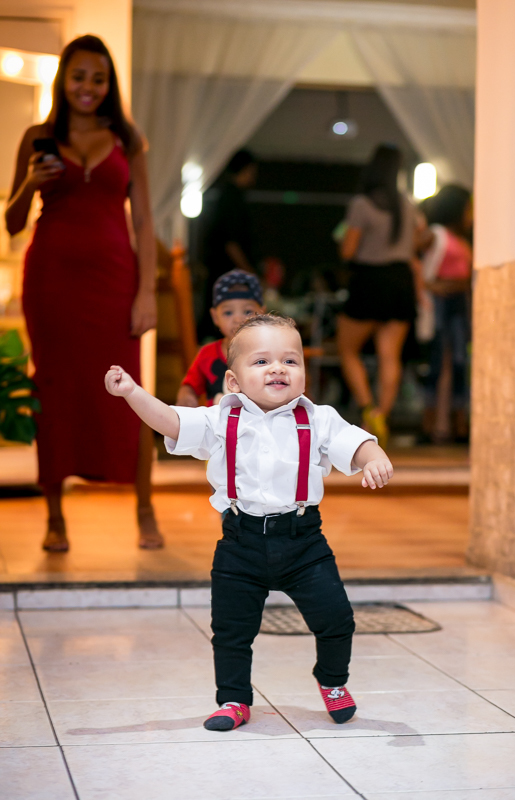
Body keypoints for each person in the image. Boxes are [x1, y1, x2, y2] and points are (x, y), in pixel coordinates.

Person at [105, 314, 394, 730]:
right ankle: (234, 699)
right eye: (261, 361)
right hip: (240, 542)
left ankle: (332, 681)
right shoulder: (220, 419)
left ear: (304, 374)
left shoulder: (318, 418)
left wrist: (374, 457)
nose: (278, 369)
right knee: (230, 630)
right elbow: (171, 421)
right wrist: (132, 392)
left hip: (303, 542)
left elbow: (357, 442)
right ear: (233, 381)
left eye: (290, 361)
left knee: (337, 619)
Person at [5, 35, 161, 552]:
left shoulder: (127, 139)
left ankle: (145, 510)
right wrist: (31, 182)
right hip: (51, 283)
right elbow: (13, 222)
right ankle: (55, 518)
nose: (88, 87)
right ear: (63, 80)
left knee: (129, 392)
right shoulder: (38, 136)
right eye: (79, 77)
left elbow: (144, 219)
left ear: (109, 84)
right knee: (54, 392)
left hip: (115, 282)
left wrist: (146, 292)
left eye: (98, 78)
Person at [336, 144, 420, 447]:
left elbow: (348, 250)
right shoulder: (407, 204)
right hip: (401, 280)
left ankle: (368, 409)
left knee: (347, 349)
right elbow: (417, 242)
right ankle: (382, 416)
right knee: (390, 355)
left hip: (370, 280)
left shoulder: (362, 204)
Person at [419, 185, 473, 443]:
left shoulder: (463, 238)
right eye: (468, 207)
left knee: (460, 363)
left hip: (459, 304)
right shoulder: (435, 234)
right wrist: (430, 286)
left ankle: (457, 424)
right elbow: (411, 258)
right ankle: (431, 425)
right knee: (438, 362)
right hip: (440, 303)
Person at [177, 269, 265, 408]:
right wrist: (186, 397)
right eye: (228, 312)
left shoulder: (269, 352)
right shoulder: (207, 354)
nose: (238, 319)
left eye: (247, 311)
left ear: (262, 314)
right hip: (216, 422)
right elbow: (189, 386)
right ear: (215, 317)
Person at [203, 149, 257, 282]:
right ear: (246, 169)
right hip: (228, 276)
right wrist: (248, 271)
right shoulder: (232, 199)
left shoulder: (227, 195)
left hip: (225, 274)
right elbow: (231, 242)